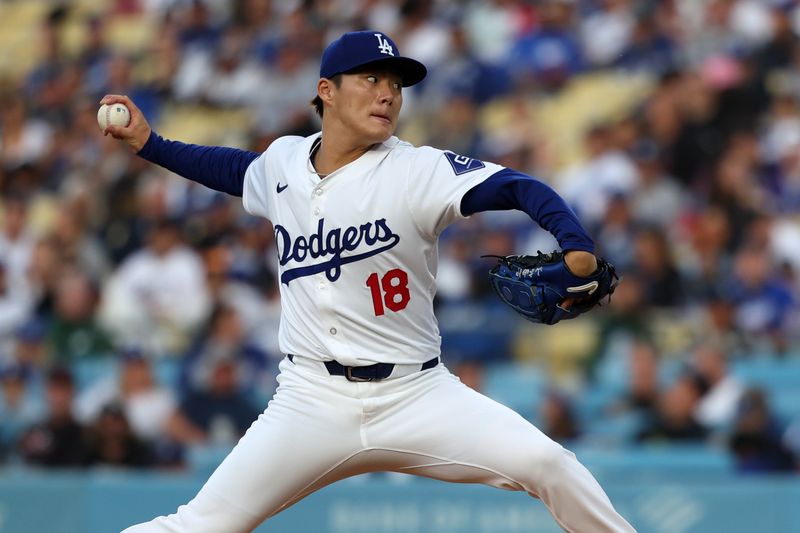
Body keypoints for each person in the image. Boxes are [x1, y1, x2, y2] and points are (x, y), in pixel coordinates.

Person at [105, 30, 635, 533]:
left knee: (549, 464)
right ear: (326, 92)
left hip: (416, 394)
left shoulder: (416, 170)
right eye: (371, 80)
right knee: (202, 524)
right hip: (310, 399)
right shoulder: (283, 162)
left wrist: (577, 243)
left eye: (396, 85)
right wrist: (150, 143)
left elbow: (518, 187)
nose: (387, 95)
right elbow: (228, 168)